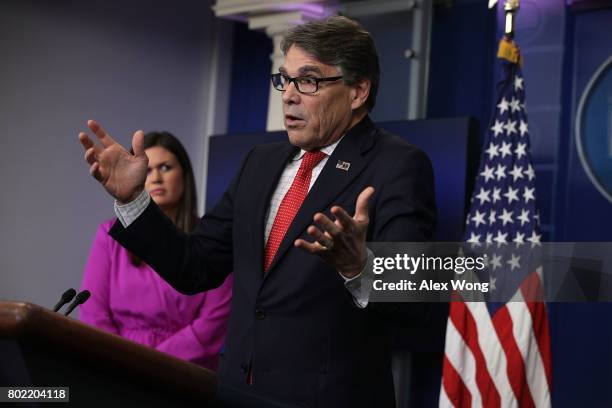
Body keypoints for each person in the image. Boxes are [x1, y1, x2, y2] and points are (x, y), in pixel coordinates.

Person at [78, 16, 436, 407]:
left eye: (309, 80)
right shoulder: (260, 162)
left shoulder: (398, 164)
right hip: (238, 393)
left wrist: (359, 268)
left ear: (358, 91)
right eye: (285, 80)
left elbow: (415, 302)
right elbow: (194, 266)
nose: (289, 95)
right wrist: (133, 200)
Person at [79, 131, 232, 371]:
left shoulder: (211, 236)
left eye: (166, 167)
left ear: (185, 175)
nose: (156, 178)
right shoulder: (109, 234)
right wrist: (120, 362)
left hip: (185, 370)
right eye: (148, 169)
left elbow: (212, 323)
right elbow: (93, 313)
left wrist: (149, 365)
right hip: (117, 367)